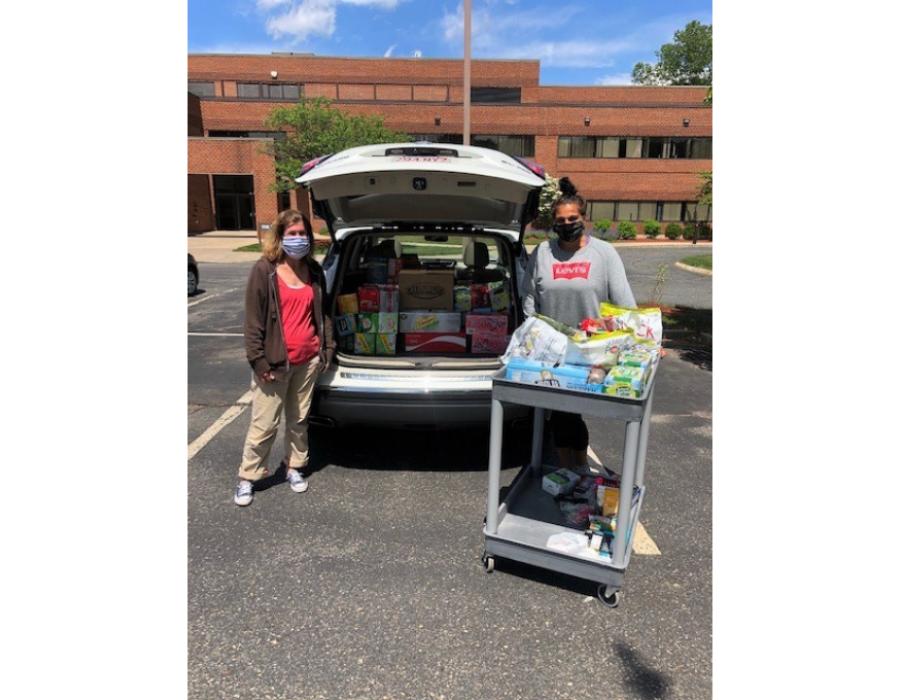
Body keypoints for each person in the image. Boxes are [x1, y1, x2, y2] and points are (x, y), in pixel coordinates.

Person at [521, 177, 636, 472]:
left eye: (573, 218)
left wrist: (644, 342)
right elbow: (530, 300)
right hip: (553, 351)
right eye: (561, 220)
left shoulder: (604, 254)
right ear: (553, 223)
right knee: (561, 413)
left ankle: (578, 469)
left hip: (592, 352)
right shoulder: (543, 254)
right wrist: (533, 335)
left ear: (584, 218)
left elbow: (624, 302)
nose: (567, 224)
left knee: (573, 412)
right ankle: (571, 471)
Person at [234, 210, 336, 506]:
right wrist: (259, 361)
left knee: (298, 420)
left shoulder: (314, 271)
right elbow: (253, 321)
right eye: (291, 234)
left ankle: (294, 467)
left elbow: (323, 315)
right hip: (274, 364)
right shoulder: (264, 270)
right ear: (279, 236)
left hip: (307, 361)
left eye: (302, 233)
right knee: (264, 423)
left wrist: (326, 350)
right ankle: (248, 477)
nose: (298, 239)